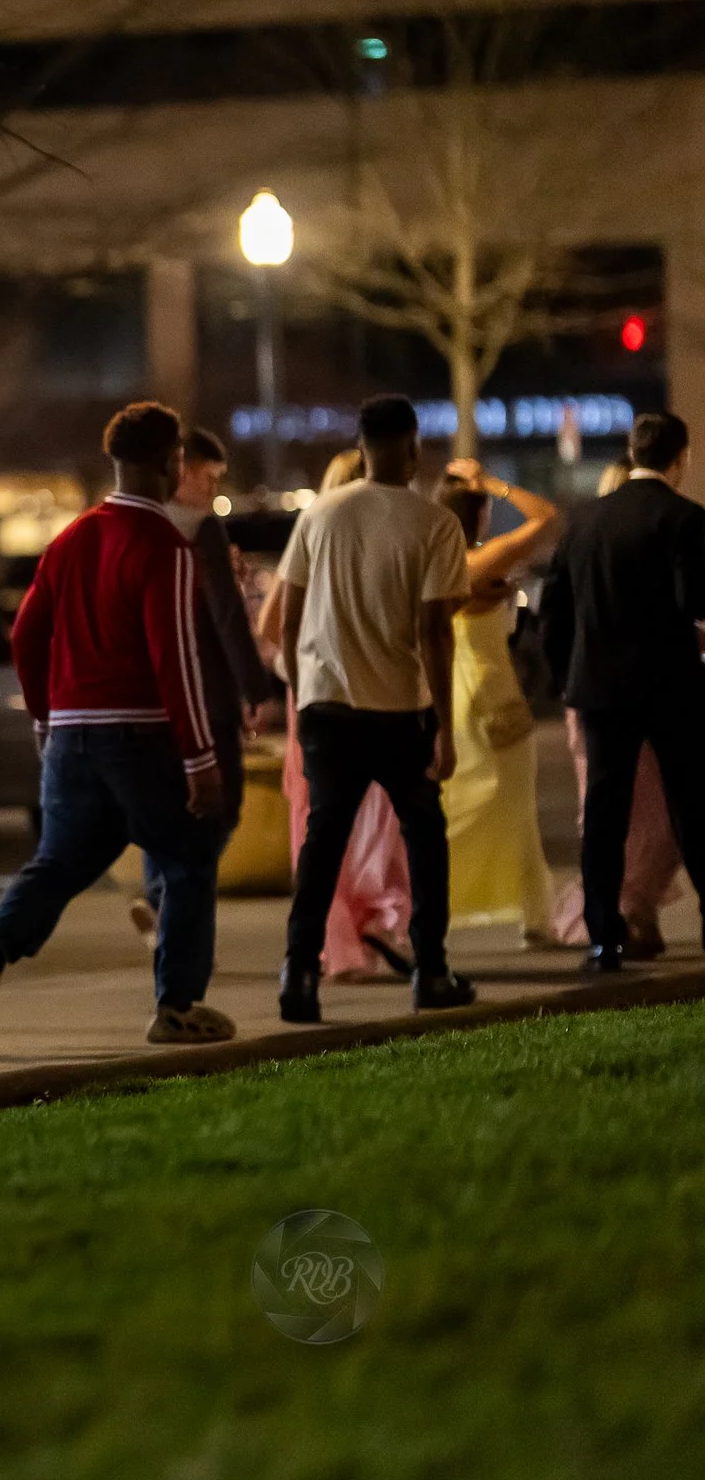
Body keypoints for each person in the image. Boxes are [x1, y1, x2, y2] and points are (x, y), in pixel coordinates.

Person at [0, 402, 234, 1049]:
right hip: (140, 737)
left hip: (72, 736)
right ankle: (179, 1005)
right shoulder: (166, 545)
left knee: (59, 861)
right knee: (188, 862)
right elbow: (176, 660)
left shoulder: (70, 540)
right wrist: (200, 759)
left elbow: (25, 634)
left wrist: (47, 717)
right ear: (169, 464)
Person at [277, 395, 477, 1022]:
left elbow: (287, 618)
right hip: (398, 709)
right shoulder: (435, 524)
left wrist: (300, 692)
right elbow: (435, 632)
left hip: (328, 705)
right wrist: (443, 724)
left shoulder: (321, 516)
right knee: (424, 835)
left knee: (324, 841)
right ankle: (432, 969)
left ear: (360, 445)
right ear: (414, 446)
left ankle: (299, 975)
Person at [540, 411, 705, 971]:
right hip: (670, 686)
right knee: (691, 806)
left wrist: (569, 676)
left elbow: (553, 614)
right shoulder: (684, 519)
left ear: (633, 455)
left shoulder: (584, 522)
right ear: (679, 459)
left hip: (599, 688)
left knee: (604, 816)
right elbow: (694, 603)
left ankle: (603, 934)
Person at [262, 449, 414, 980]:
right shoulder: (382, 537)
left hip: (319, 693)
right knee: (377, 817)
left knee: (321, 823)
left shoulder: (313, 533)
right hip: (371, 692)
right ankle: (372, 919)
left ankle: (335, 940)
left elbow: (270, 623)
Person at [131, 427, 282, 945]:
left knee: (165, 803)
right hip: (205, 693)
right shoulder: (203, 530)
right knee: (224, 804)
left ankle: (163, 907)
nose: (214, 490)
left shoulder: (135, 525)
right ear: (185, 468)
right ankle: (167, 901)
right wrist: (256, 690)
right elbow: (224, 617)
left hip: (148, 693)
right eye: (211, 477)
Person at [436, 459, 561, 945]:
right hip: (490, 694)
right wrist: (495, 482)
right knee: (513, 809)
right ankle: (535, 917)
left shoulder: (437, 561)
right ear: (480, 512)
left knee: (455, 808)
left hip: (452, 695)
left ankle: (431, 906)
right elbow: (548, 518)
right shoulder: (480, 562)